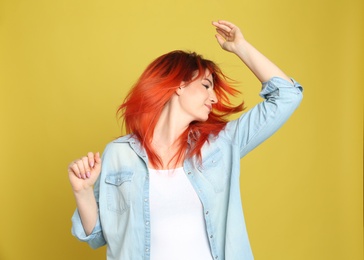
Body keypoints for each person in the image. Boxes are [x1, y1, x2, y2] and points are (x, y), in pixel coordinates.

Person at [68, 20, 303, 260]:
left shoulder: (221, 145)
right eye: (206, 85)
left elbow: (287, 96)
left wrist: (241, 47)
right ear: (178, 85)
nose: (213, 98)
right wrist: (83, 191)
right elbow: (97, 236)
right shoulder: (119, 155)